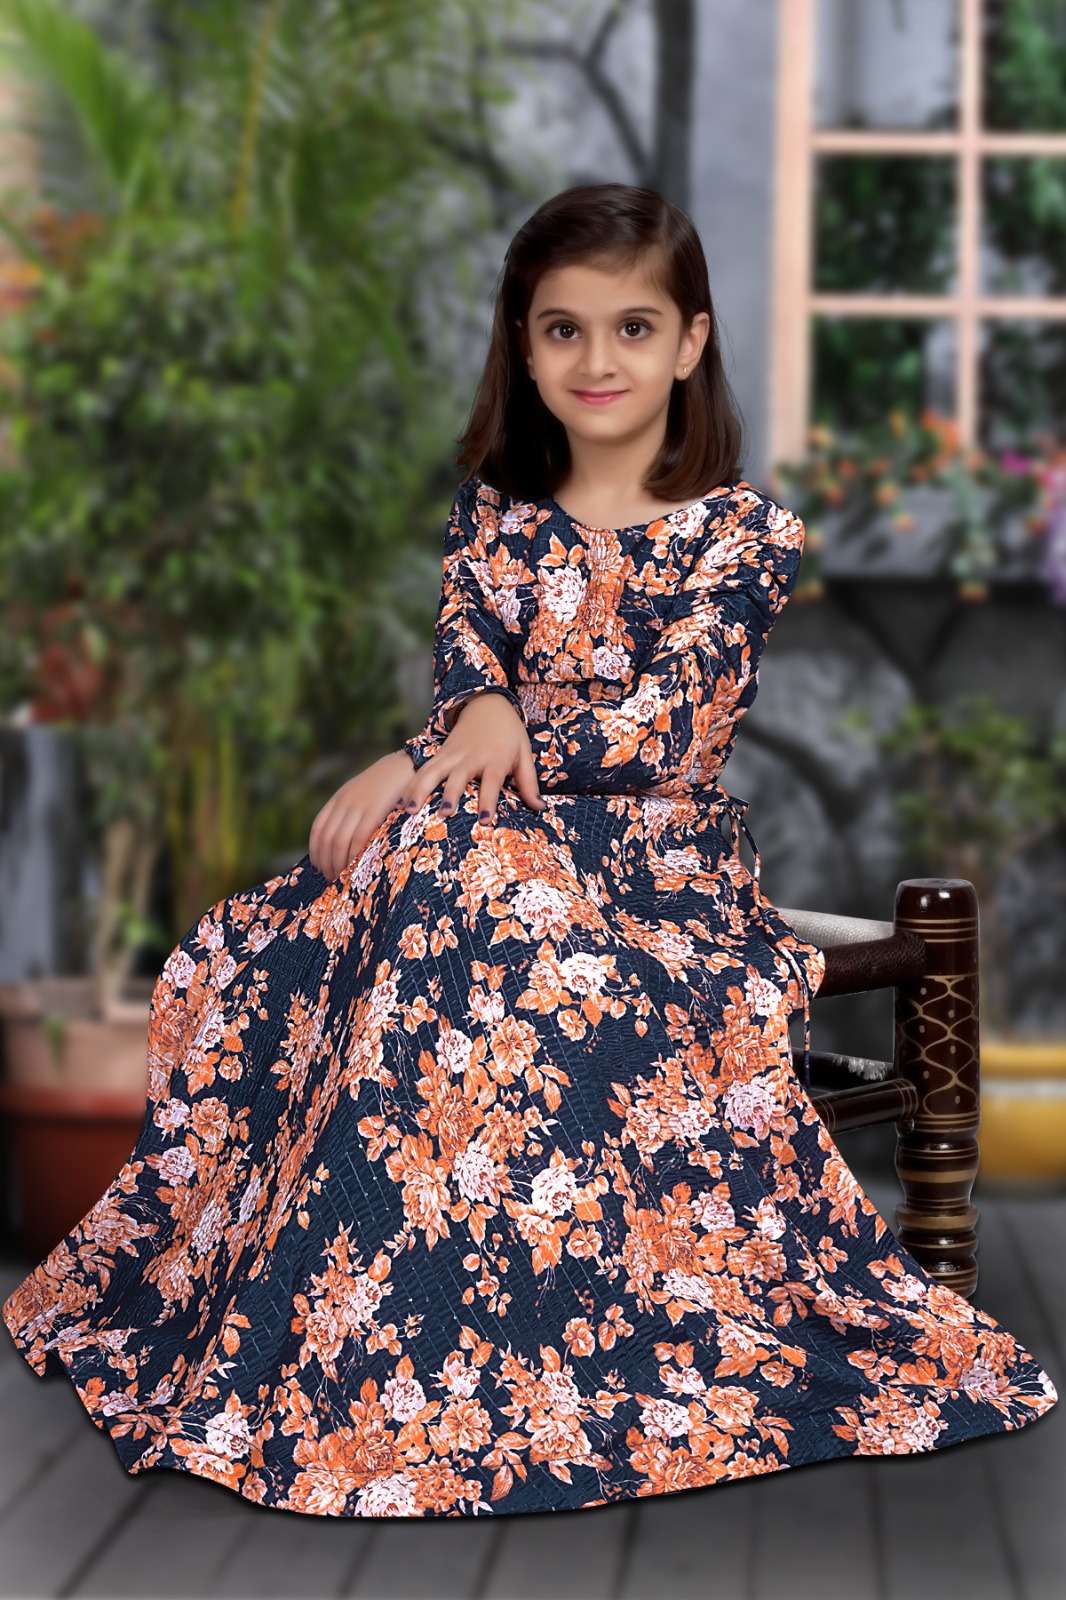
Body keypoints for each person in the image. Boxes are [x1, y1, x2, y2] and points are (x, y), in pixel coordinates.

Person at [3, 183, 1057, 1519]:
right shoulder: (488, 522)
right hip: (479, 848)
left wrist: (450, 745)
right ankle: (366, 1342)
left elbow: (659, 732)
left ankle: (484, 1356)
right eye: (563, 330)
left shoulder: (743, 534)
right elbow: (465, 693)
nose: (597, 360)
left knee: (456, 879)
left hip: (656, 878)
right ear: (524, 342)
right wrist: (458, 733)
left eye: (632, 328)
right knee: (298, 929)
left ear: (690, 342)